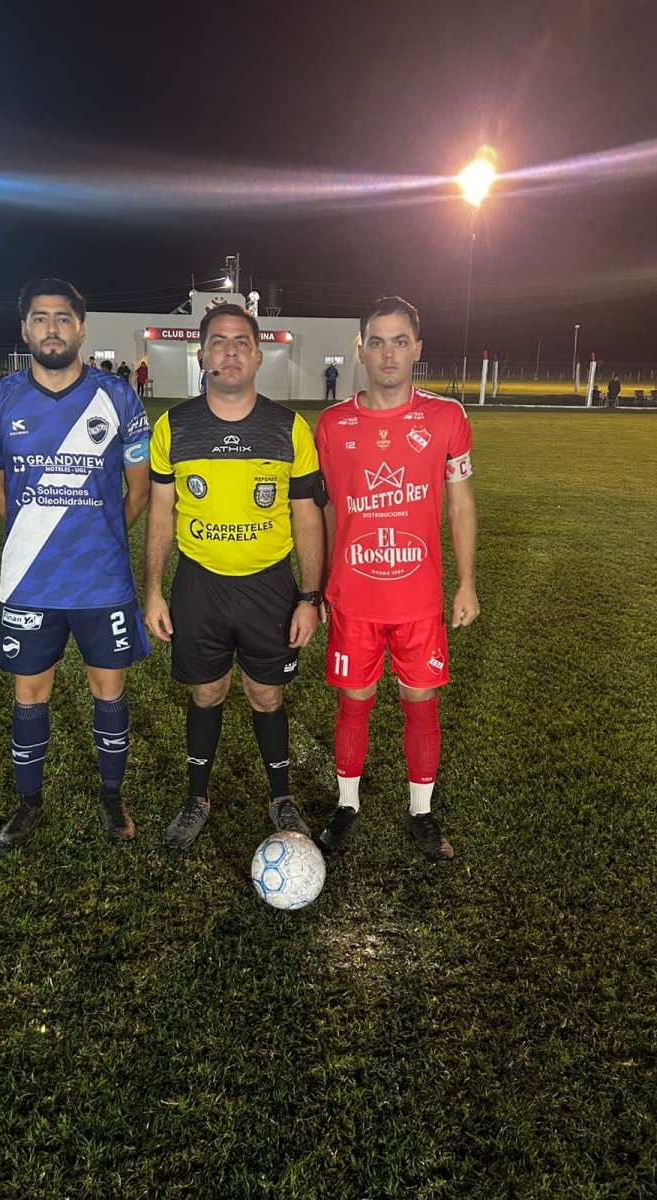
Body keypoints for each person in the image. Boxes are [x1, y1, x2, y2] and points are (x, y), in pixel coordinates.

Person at [0, 278, 151, 853]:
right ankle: (29, 802)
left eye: (63, 318)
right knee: (30, 691)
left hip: (102, 580)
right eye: (40, 318)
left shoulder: (117, 397)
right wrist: (37, 534)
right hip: (30, 579)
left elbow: (139, 491)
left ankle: (111, 795)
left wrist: (99, 536)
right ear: (25, 329)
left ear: (81, 329)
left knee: (108, 689)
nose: (52, 328)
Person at [144, 303, 325, 850]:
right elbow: (160, 513)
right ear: (202, 354)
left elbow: (306, 516)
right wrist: (153, 590)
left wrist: (309, 596)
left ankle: (280, 797)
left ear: (258, 355)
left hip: (268, 584)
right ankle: (197, 797)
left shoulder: (290, 428)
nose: (230, 352)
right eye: (218, 342)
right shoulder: (172, 427)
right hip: (199, 583)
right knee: (208, 689)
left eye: (241, 342)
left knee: (265, 694)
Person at [314, 296, 479, 861]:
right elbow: (327, 508)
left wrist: (466, 583)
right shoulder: (332, 425)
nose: (388, 353)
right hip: (354, 596)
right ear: (361, 351)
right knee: (353, 702)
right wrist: (322, 586)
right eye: (378, 342)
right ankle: (347, 805)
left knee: (421, 702)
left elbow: (460, 504)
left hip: (418, 598)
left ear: (417, 349)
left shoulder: (447, 418)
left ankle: (421, 812)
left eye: (400, 341)